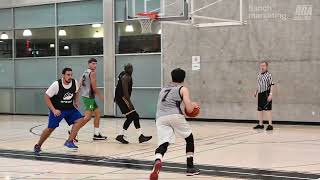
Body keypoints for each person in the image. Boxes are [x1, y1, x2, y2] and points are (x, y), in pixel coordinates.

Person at [150, 68, 200, 180]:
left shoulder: (163, 89)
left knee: (164, 143)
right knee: (189, 139)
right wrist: (194, 105)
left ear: (172, 77)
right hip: (174, 114)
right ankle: (190, 168)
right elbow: (189, 108)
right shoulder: (183, 89)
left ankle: (157, 160)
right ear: (183, 78)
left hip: (160, 117)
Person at [34, 68, 87, 155]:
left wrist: (76, 101)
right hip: (58, 109)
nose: (70, 77)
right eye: (68, 75)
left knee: (80, 119)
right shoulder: (56, 84)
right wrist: (53, 110)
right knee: (50, 128)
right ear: (63, 75)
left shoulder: (74, 82)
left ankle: (69, 141)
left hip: (69, 108)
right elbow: (46, 97)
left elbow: (76, 91)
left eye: (71, 75)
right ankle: (38, 145)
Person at [114, 63, 152, 144]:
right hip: (123, 99)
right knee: (135, 116)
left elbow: (118, 86)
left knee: (130, 117)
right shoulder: (126, 77)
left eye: (131, 68)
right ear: (126, 69)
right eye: (129, 68)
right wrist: (130, 103)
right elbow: (125, 93)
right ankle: (140, 136)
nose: (131, 69)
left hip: (120, 98)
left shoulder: (122, 74)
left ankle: (121, 135)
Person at [78, 58, 107, 140]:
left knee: (97, 114)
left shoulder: (85, 72)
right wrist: (100, 96)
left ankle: (96, 134)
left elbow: (79, 84)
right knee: (87, 117)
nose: (95, 65)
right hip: (89, 97)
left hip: (87, 96)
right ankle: (73, 129)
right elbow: (94, 88)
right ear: (89, 64)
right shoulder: (92, 73)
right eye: (93, 63)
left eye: (96, 64)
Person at [253, 61, 275, 131]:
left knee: (268, 109)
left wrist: (271, 94)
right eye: (261, 66)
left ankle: (270, 125)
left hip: (266, 93)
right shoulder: (259, 75)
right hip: (260, 93)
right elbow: (258, 84)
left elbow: (272, 84)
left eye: (264, 66)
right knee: (260, 109)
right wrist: (256, 92)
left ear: (266, 66)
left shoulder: (269, 75)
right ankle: (260, 124)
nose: (262, 67)